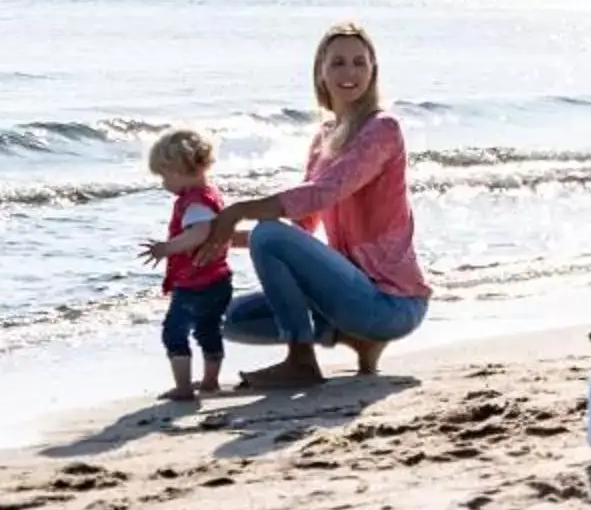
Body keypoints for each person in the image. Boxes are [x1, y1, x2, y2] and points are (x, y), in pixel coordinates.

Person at [196, 22, 429, 390]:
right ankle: (357, 339)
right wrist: (217, 237)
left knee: (269, 232)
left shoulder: (383, 128)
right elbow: (304, 222)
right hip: (347, 296)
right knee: (223, 317)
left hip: (392, 303)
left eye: (359, 63)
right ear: (320, 70)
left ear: (373, 70)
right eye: (337, 63)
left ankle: (301, 360)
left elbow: (324, 192)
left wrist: (238, 209)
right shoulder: (325, 136)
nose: (349, 72)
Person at [141, 126, 232, 401]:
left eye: (164, 176)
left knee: (174, 333)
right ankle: (210, 381)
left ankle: (184, 387)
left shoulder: (195, 203)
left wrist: (167, 248)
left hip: (196, 283)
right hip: (218, 279)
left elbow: (199, 232)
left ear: (179, 170)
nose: (163, 183)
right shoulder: (210, 194)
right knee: (208, 330)